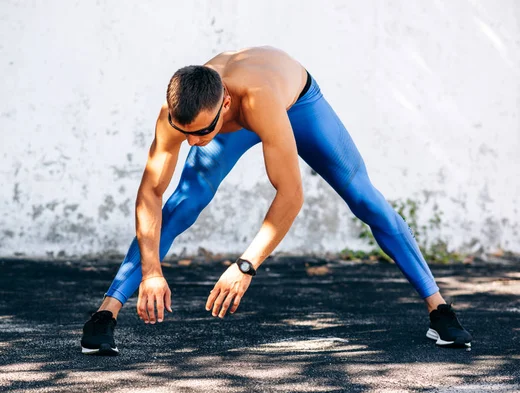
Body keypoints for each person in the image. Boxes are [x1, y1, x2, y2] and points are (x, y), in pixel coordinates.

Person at [80, 46, 471, 355]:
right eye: (186, 134)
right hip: (230, 106)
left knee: (364, 198)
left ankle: (438, 308)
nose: (194, 143)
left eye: (202, 133)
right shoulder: (178, 113)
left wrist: (246, 265)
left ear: (225, 108)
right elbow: (150, 191)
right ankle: (105, 314)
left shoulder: (257, 99)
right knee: (182, 205)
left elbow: (291, 194)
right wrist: (152, 271)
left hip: (298, 103)